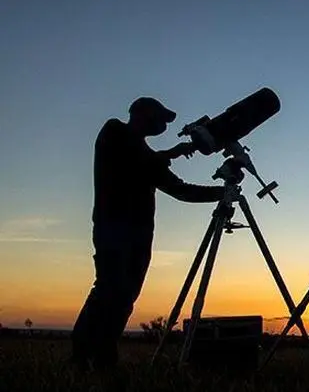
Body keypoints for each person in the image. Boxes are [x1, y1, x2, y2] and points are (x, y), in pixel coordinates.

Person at [71, 97, 229, 370]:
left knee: (125, 298)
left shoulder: (150, 158)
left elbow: (181, 190)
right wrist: (170, 154)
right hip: (114, 228)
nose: (164, 125)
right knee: (109, 290)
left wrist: (222, 193)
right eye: (160, 118)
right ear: (141, 113)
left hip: (140, 236)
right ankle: (82, 355)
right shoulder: (115, 132)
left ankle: (102, 356)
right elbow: (134, 160)